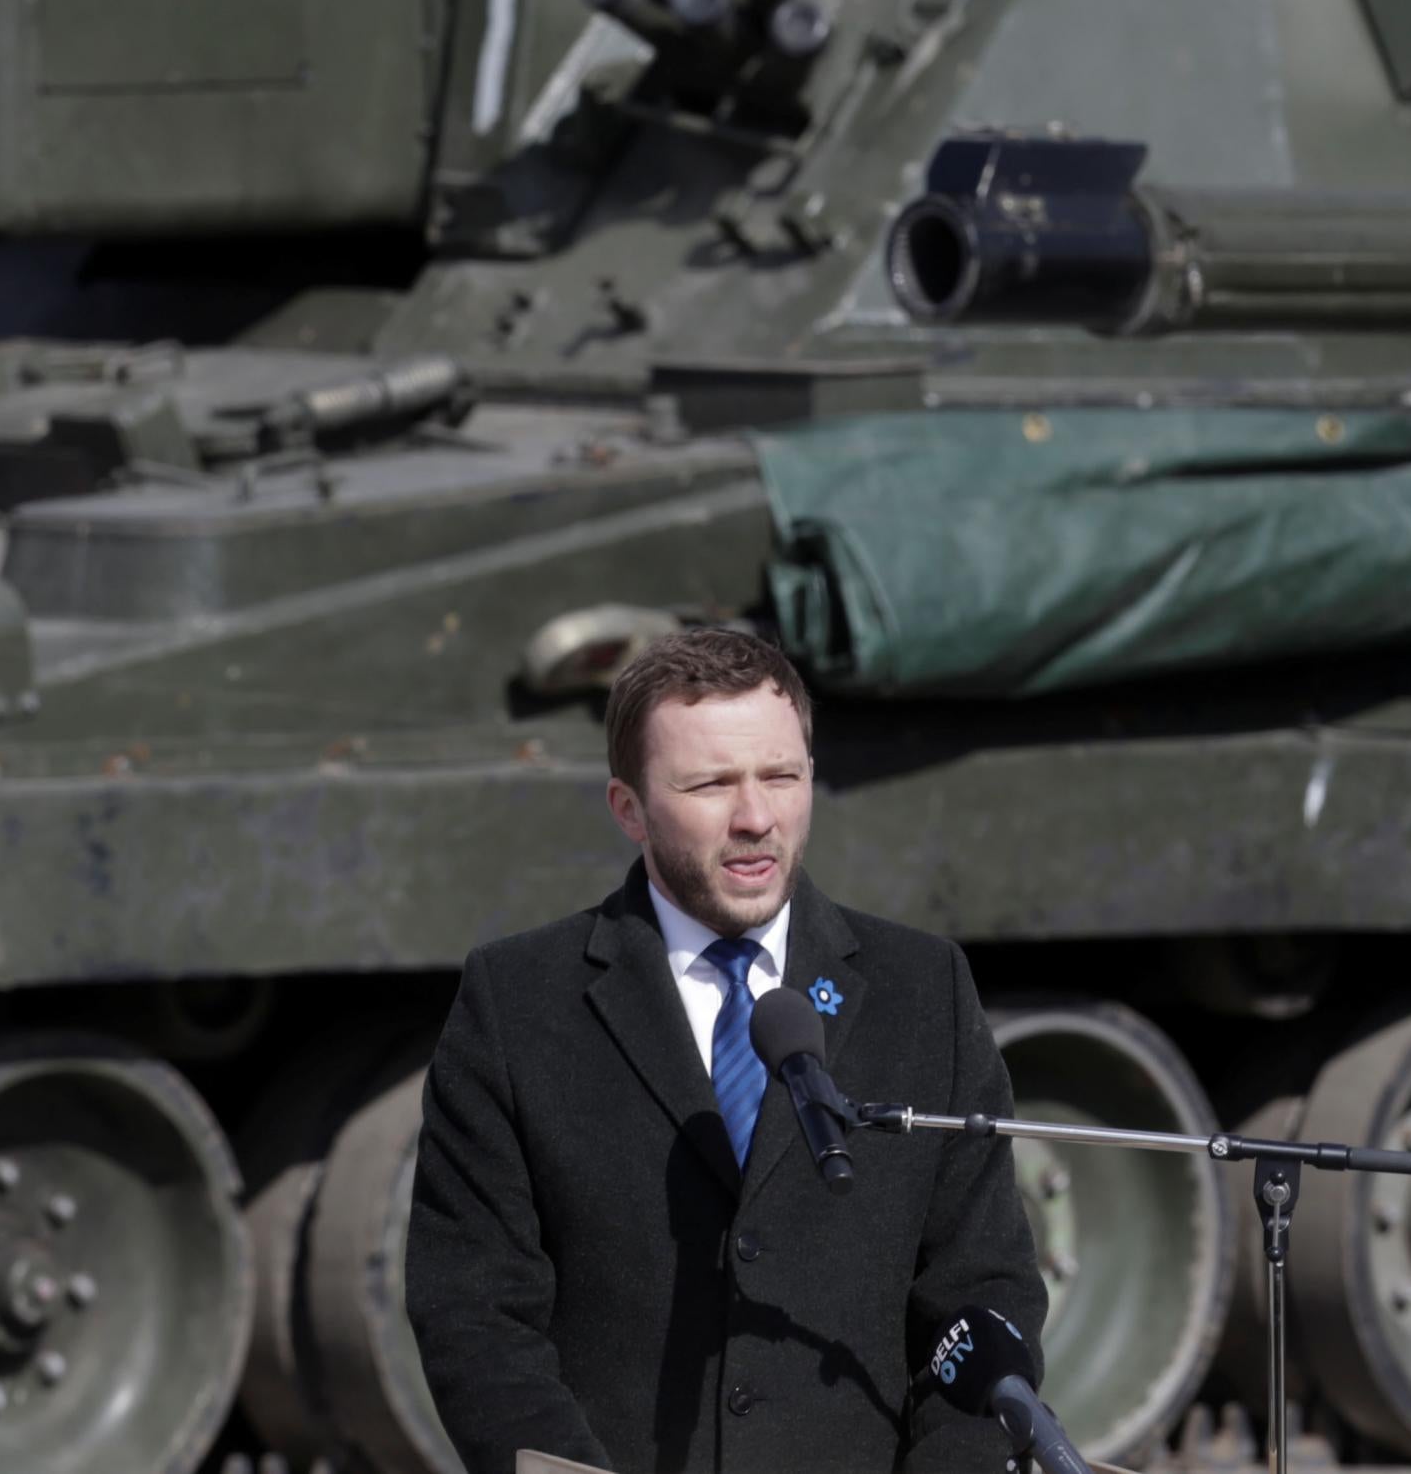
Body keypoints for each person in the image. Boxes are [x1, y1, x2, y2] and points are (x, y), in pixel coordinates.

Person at [405, 627, 1047, 1474]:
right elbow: (474, 1312)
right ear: (628, 807)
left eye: (781, 775)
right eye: (710, 783)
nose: (756, 817)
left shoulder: (923, 990)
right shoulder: (518, 1001)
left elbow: (982, 1290)